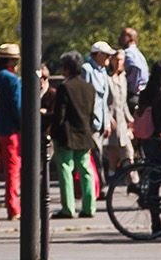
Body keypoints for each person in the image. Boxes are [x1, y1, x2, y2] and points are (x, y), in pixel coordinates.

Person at [46, 52, 97, 220]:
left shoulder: (64, 87)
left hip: (66, 135)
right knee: (86, 171)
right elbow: (91, 114)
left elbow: (59, 115)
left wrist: (53, 132)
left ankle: (68, 208)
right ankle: (89, 207)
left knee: (65, 170)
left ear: (67, 69)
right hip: (85, 134)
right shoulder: (89, 88)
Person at [0, 43, 24, 220]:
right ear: (11, 61)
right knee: (12, 171)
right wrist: (22, 126)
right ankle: (13, 208)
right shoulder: (11, 79)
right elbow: (17, 106)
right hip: (10, 130)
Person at [86, 41, 114, 193]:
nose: (109, 58)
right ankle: (101, 187)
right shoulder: (87, 70)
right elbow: (86, 97)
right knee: (95, 156)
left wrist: (107, 122)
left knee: (99, 155)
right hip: (92, 121)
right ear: (98, 55)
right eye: (107, 55)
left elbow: (104, 101)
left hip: (101, 122)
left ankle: (99, 186)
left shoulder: (103, 71)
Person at [103, 49, 133, 178]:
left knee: (128, 152)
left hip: (122, 121)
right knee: (112, 152)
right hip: (111, 120)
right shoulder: (107, 78)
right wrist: (108, 117)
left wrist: (130, 119)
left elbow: (123, 102)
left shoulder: (123, 78)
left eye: (121, 60)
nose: (119, 63)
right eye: (117, 59)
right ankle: (111, 178)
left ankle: (133, 181)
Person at [118, 27, 148, 99]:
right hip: (141, 94)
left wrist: (131, 89)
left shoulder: (128, 54)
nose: (119, 38)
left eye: (122, 36)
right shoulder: (139, 54)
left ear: (131, 39)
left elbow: (135, 68)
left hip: (132, 95)